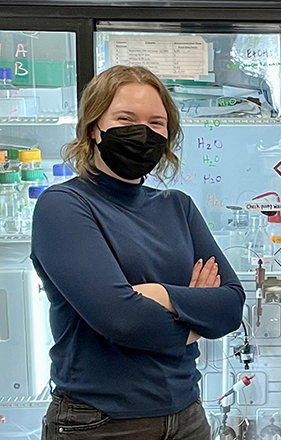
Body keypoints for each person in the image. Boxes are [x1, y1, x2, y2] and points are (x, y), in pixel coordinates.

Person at [31, 65, 245, 440]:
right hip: (98, 423)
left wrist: (160, 295)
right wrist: (195, 319)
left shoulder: (178, 207)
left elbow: (230, 307)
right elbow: (121, 319)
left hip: (188, 416)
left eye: (156, 123)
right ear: (95, 127)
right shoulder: (63, 206)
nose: (142, 133)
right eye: (125, 118)